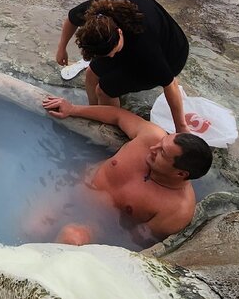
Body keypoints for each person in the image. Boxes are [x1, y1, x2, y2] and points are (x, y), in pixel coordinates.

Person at [41, 98, 212, 243]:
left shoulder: (176, 211)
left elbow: (131, 242)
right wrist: (72, 109)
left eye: (162, 152)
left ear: (180, 174)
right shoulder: (151, 135)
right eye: (163, 141)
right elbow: (117, 116)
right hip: (71, 187)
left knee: (71, 237)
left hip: (97, 225)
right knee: (33, 228)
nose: (154, 147)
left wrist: (96, 235)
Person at [55, 0, 191, 133]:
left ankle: (112, 130)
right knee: (91, 73)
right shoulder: (95, 13)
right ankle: (94, 114)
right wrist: (61, 48)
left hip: (171, 55)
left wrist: (181, 126)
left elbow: (170, 84)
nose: (112, 57)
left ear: (119, 32)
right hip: (128, 41)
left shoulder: (145, 47)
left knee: (105, 90)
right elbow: (71, 19)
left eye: (113, 52)